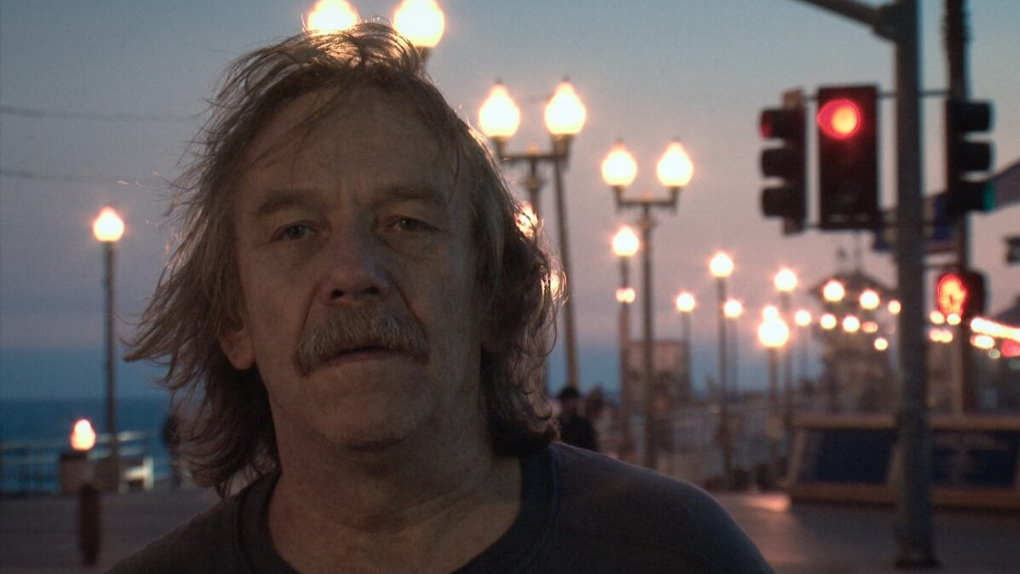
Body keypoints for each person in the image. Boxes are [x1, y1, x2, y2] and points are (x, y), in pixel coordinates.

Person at [112, 24, 771, 573]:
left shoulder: (676, 552)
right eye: (296, 232)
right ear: (233, 318)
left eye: (407, 223)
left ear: (494, 293)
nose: (354, 272)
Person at [555, 386, 598, 451]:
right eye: (567, 401)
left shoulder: (583, 424)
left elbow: (591, 448)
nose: (570, 404)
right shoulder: (556, 423)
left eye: (573, 401)